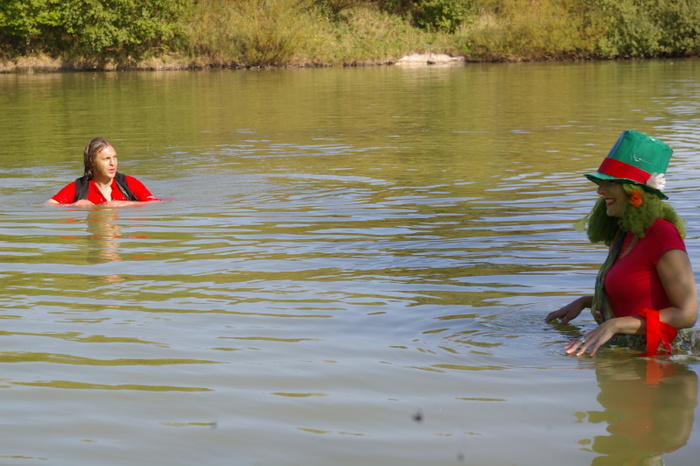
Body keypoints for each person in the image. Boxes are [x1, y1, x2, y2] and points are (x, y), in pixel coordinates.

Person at [545, 130, 698, 356]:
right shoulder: (624, 232)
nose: (600, 190)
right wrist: (586, 302)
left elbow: (687, 315)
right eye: (601, 182)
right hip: (627, 353)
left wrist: (616, 324)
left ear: (634, 191)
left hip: (657, 358)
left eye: (610, 182)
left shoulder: (662, 234)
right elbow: (633, 298)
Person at [45, 137, 161, 206]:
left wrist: (128, 204)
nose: (112, 163)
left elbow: (155, 203)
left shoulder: (128, 183)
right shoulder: (79, 187)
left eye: (114, 157)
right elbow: (46, 206)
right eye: (106, 159)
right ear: (92, 162)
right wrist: (73, 205)